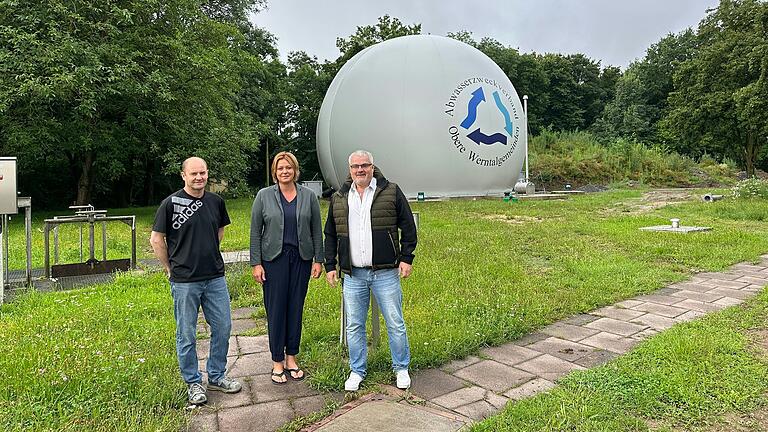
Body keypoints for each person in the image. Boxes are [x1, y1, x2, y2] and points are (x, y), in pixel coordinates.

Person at [150, 156, 242, 406]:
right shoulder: (170, 204)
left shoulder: (216, 202)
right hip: (184, 281)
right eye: (194, 174)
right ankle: (193, 382)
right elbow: (157, 239)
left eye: (203, 173)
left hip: (215, 278)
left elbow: (218, 232)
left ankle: (216, 376)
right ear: (184, 176)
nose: (199, 177)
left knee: (223, 327)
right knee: (186, 334)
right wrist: (170, 268)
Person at [324, 150, 417, 391]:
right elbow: (330, 234)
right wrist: (330, 266)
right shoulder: (340, 197)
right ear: (350, 169)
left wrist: (407, 258)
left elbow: (408, 227)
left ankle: (401, 368)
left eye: (364, 165)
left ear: (372, 167)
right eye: (355, 166)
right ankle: (357, 370)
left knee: (395, 322)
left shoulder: (391, 191)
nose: (360, 170)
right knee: (354, 325)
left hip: (385, 272)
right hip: (353, 274)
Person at [250, 152, 324, 384]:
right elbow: (255, 232)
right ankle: (277, 361)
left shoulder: (309, 196)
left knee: (295, 308)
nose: (285, 171)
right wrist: (256, 263)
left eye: (288, 168)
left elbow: (316, 230)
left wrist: (318, 260)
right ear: (275, 171)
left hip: (301, 260)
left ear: (295, 170)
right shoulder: (263, 196)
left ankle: (291, 357)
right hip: (274, 261)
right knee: (276, 310)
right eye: (280, 168)